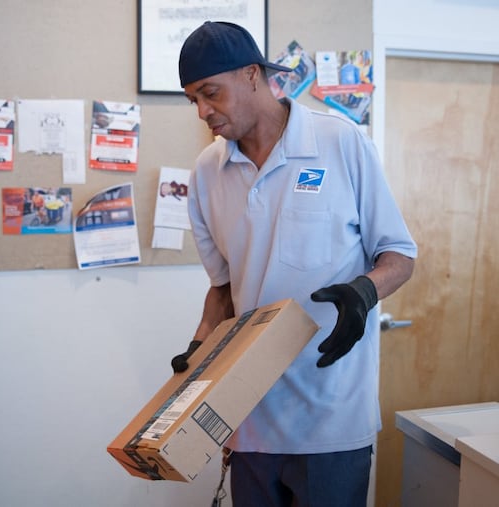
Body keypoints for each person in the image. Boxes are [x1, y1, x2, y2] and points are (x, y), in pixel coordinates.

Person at [171, 21, 417, 506]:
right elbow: (222, 288)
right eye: (193, 100)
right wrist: (198, 346)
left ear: (251, 75)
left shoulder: (340, 142)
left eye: (210, 93)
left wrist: (365, 291)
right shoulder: (206, 173)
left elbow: (400, 256)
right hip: (250, 418)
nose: (202, 112)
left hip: (333, 415)